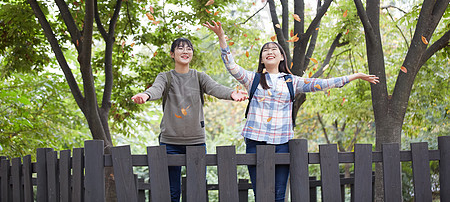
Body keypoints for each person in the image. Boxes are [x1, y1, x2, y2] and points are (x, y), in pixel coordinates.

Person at [203, 21, 379, 202]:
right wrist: (221, 38)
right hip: (255, 140)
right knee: (260, 194)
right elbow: (231, 66)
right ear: (262, 59)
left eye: (274, 50)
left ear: (281, 57)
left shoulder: (292, 81)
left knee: (279, 195)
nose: (269, 52)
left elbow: (322, 84)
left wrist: (355, 75)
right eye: (265, 50)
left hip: (281, 142)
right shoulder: (252, 79)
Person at [132, 37, 247, 202]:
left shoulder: (199, 77)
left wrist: (231, 93)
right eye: (180, 48)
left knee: (197, 191)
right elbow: (156, 89)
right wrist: (146, 95)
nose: (185, 51)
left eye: (188, 48)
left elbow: (215, 88)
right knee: (172, 193)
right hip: (170, 142)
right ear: (172, 54)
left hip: (196, 141)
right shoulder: (165, 77)